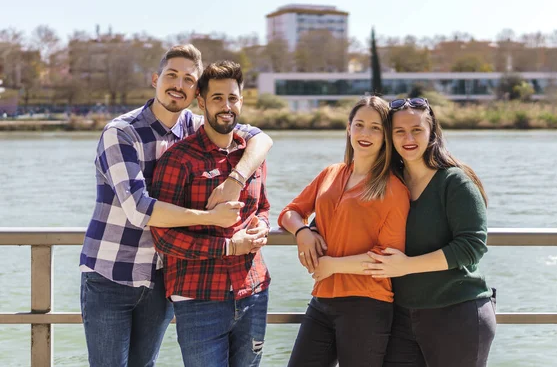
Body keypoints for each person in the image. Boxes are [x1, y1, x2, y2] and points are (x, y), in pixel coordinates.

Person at [79, 46, 272, 367]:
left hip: (160, 276)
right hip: (112, 274)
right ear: (155, 79)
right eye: (171, 75)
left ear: (196, 91)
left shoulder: (198, 126)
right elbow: (140, 209)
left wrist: (236, 179)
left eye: (187, 79)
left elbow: (261, 139)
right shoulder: (122, 132)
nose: (178, 84)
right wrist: (212, 218)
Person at [150, 60, 270, 367]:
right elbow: (163, 236)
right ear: (201, 101)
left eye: (232, 98)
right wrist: (227, 247)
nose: (226, 106)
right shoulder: (179, 159)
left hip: (253, 290)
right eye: (217, 98)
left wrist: (262, 228)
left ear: (241, 101)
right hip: (199, 297)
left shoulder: (251, 156)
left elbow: (263, 207)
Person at [278, 96, 411, 367]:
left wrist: (332, 266)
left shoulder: (393, 189)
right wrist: (302, 232)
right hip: (322, 298)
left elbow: (387, 258)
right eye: (359, 124)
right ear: (348, 128)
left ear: (386, 136)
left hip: (366, 304)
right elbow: (289, 213)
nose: (365, 133)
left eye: (375, 128)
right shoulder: (331, 173)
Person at [363, 97, 496, 367]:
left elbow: (472, 247)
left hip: (457, 313)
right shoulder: (389, 181)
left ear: (432, 132)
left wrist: (407, 266)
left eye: (417, 130)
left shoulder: (454, 181)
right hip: (400, 317)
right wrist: (308, 230)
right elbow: (346, 212)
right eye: (399, 131)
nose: (408, 138)